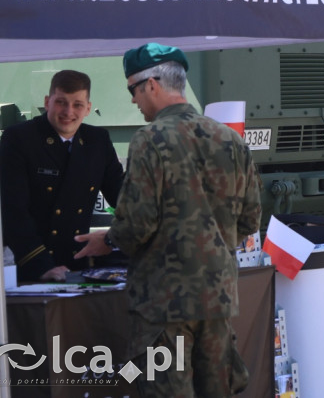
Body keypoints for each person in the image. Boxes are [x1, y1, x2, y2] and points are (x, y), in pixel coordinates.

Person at [75, 43, 262, 396]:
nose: (133, 100)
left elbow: (135, 225)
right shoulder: (231, 140)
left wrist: (108, 239)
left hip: (163, 304)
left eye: (133, 89)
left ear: (152, 84)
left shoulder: (149, 140)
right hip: (217, 297)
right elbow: (250, 221)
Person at [0, 69, 124, 282]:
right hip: (32, 266)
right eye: (61, 102)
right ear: (47, 102)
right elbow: (13, 211)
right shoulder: (20, 139)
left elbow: (124, 197)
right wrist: (41, 266)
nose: (68, 112)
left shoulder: (97, 141)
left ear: (88, 108)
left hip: (79, 263)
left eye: (77, 104)